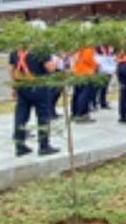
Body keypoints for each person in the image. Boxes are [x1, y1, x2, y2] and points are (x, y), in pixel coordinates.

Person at [8, 22, 59, 156]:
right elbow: (50, 68)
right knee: (43, 116)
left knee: (21, 116)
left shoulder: (17, 50)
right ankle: (44, 145)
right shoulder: (41, 49)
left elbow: (12, 70)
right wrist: (59, 59)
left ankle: (19, 145)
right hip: (40, 87)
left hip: (22, 86)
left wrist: (14, 87)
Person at [71, 43, 97, 123]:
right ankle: (81, 114)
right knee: (84, 94)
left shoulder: (77, 48)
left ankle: (75, 112)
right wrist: (95, 65)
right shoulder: (88, 48)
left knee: (77, 93)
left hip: (77, 72)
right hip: (86, 73)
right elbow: (88, 59)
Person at [94, 45, 116, 109]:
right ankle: (94, 102)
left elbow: (112, 56)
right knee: (97, 87)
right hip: (101, 69)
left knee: (105, 87)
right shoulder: (98, 47)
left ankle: (103, 102)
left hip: (108, 69)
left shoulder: (110, 48)